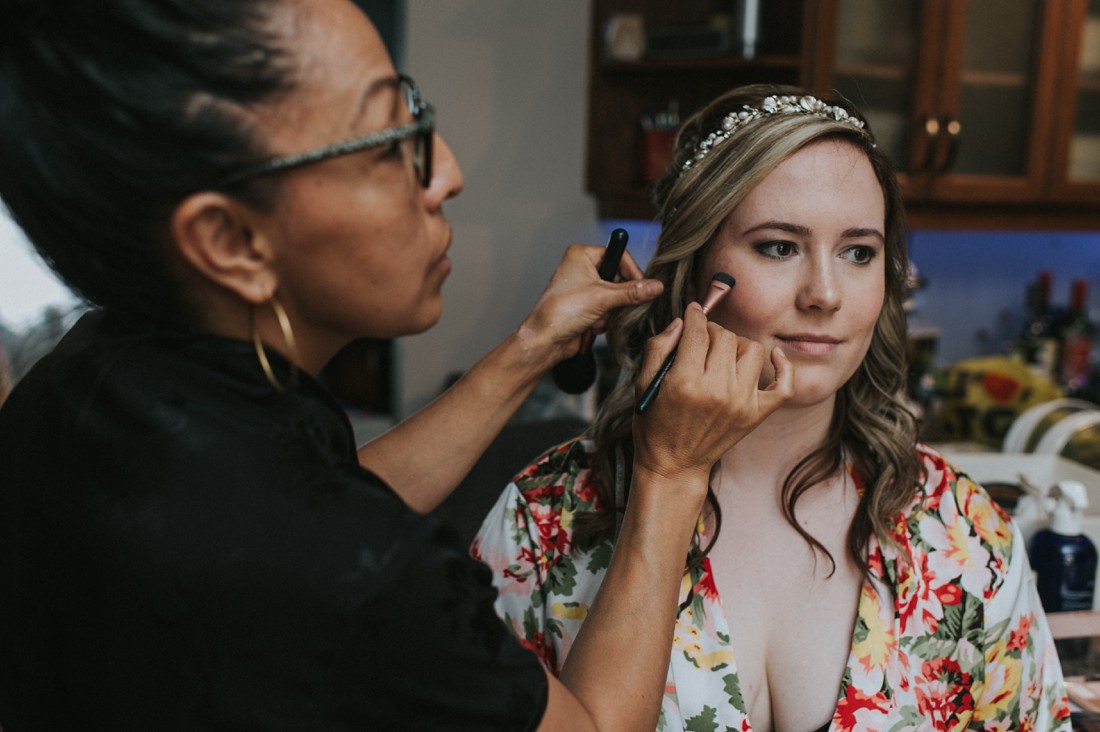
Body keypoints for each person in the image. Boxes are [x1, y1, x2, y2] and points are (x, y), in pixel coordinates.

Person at [0, 2, 794, 730]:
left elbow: (317, 501)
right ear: (230, 241)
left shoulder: (90, 379)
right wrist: (672, 473)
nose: (445, 170)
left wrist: (528, 351)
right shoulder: (348, 576)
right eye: (388, 142)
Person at [473, 84, 1072, 732]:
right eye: (779, 247)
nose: (825, 293)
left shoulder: (961, 533)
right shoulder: (547, 521)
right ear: (695, 269)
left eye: (858, 252)